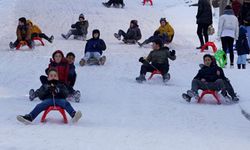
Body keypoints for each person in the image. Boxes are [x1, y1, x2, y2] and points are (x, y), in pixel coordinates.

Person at [17, 68, 82, 125]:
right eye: (51, 76)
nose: (53, 77)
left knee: (66, 103)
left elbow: (66, 93)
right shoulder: (45, 85)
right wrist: (47, 90)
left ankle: (74, 115)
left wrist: (58, 90)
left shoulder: (61, 85)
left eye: (55, 76)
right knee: (39, 105)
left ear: (58, 77)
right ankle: (30, 117)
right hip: (48, 100)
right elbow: (40, 95)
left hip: (60, 99)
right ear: (48, 78)